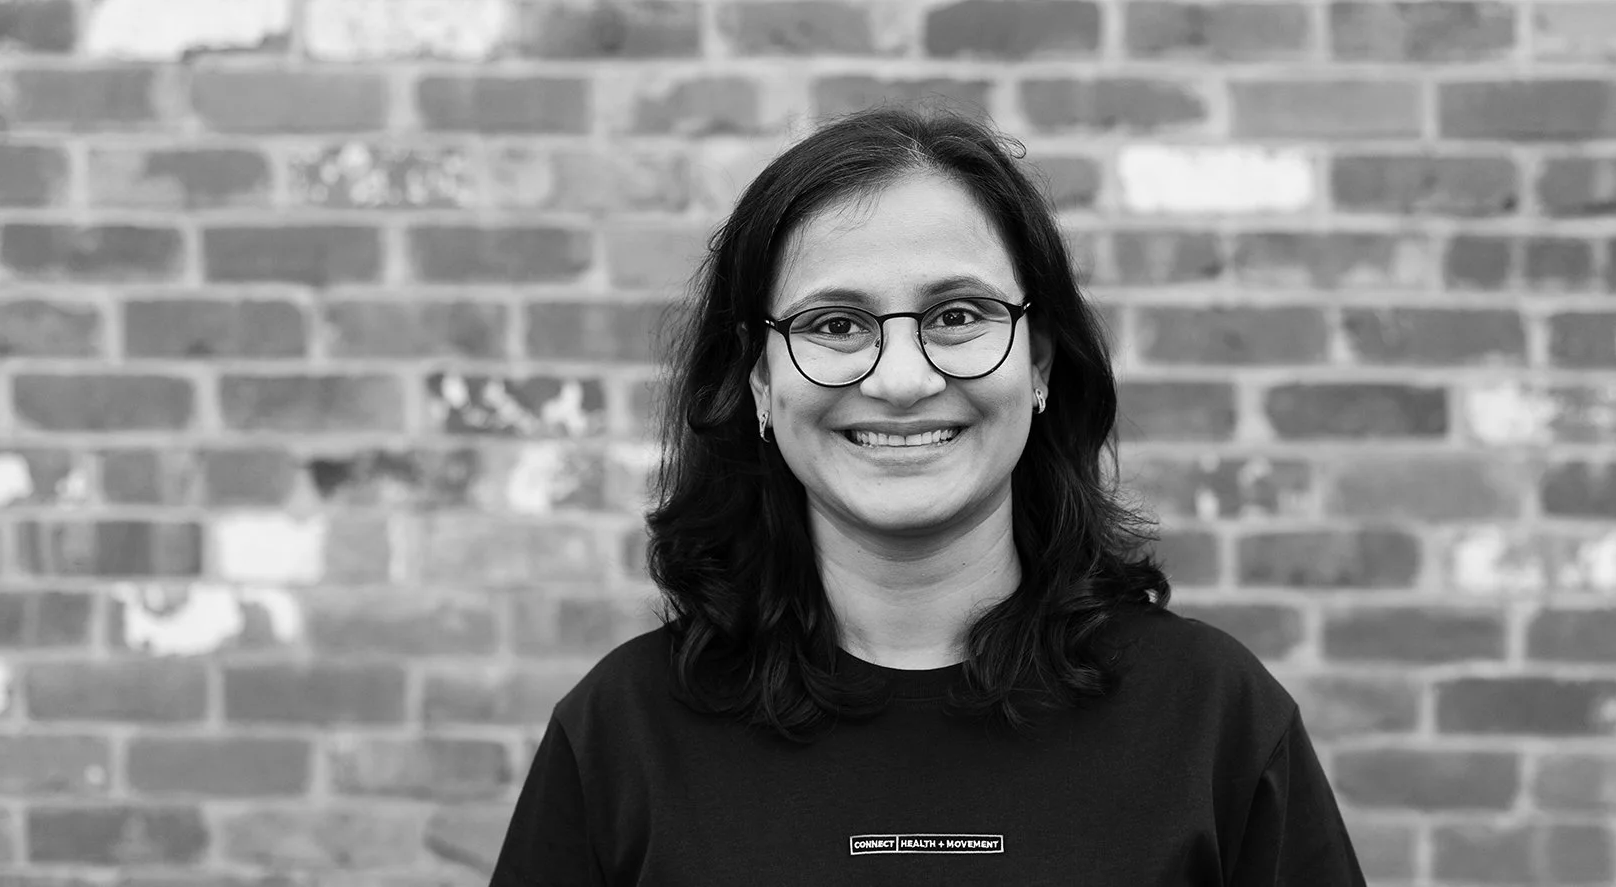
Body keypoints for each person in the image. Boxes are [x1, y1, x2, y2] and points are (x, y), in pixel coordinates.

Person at [489, 106, 1366, 886]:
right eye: (835, 324)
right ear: (760, 382)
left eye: (957, 315)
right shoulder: (623, 734)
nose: (903, 379)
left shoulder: (1212, 719)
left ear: (1041, 367)